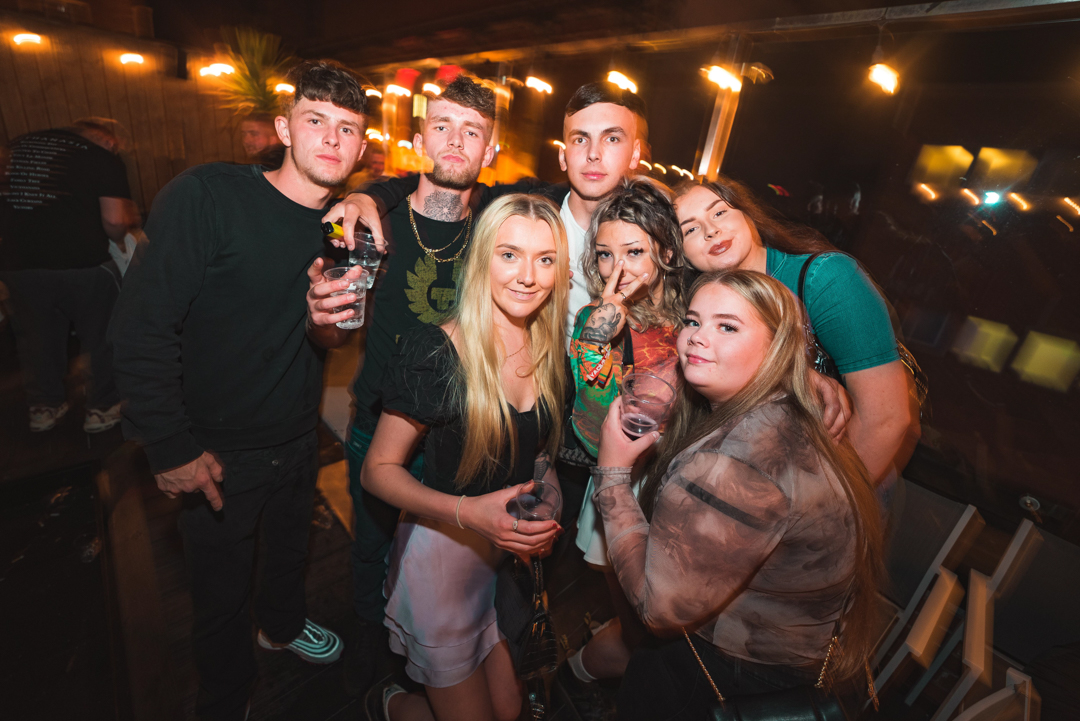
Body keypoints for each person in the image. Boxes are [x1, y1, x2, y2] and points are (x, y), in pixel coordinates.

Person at [110, 60, 370, 721]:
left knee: (289, 555)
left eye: (347, 128)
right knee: (219, 596)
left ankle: (280, 627)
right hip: (215, 448)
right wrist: (169, 445)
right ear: (283, 129)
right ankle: (226, 700)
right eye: (316, 120)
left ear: (362, 145)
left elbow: (329, 336)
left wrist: (327, 321)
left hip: (297, 435)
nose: (331, 138)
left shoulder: (341, 226)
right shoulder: (207, 196)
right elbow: (141, 326)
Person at [593, 270, 884, 720]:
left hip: (727, 672)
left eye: (727, 326)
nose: (697, 337)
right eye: (693, 321)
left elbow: (658, 609)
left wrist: (612, 474)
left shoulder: (736, 465)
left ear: (776, 348)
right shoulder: (790, 411)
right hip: (794, 655)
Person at [314, 74, 499, 695]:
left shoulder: (498, 226)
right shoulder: (368, 221)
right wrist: (322, 314)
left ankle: (427, 652)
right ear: (419, 141)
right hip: (377, 419)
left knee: (443, 554)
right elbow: (329, 330)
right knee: (370, 543)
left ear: (490, 150)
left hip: (458, 428)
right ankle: (372, 643)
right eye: (442, 126)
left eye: (471, 131)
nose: (455, 140)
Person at [359, 194, 569, 721]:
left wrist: (547, 500)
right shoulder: (436, 353)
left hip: (501, 565)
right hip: (442, 565)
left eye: (545, 259)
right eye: (509, 255)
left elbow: (537, 453)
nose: (528, 276)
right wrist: (469, 512)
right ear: (481, 260)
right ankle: (392, 705)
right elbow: (377, 471)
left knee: (510, 709)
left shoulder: (548, 351)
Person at [327, 80, 647, 340]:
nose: (593, 154)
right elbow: (441, 183)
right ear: (563, 156)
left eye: (612, 139)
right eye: (580, 140)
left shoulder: (656, 233)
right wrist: (367, 197)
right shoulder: (528, 216)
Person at [674, 177, 919, 484]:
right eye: (690, 229)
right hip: (758, 475)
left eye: (719, 212)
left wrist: (826, 503)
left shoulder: (826, 278)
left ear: (748, 214)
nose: (710, 230)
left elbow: (886, 420)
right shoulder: (699, 305)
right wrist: (796, 374)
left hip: (842, 476)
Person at [557, 177, 685, 713]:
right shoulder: (597, 323)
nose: (618, 268)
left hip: (681, 487)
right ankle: (577, 675)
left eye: (634, 252)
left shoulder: (695, 313)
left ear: (667, 253)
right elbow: (591, 427)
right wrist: (595, 335)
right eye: (606, 254)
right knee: (638, 621)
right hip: (624, 483)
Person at [0, 118, 138, 433]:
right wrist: (120, 242)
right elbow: (115, 220)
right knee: (102, 334)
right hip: (83, 263)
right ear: (106, 139)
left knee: (36, 337)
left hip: (18, 263)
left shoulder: (15, 148)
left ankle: (44, 407)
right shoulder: (100, 156)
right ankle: (102, 408)